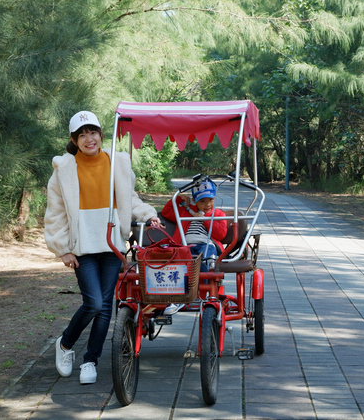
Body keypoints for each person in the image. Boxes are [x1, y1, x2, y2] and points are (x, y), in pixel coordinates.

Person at [44, 110, 160, 385]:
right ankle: (65, 344)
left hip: (112, 243)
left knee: (106, 306)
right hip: (82, 245)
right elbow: (55, 212)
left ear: (100, 134)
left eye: (92, 132)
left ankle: (90, 361)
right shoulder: (64, 168)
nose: (88, 139)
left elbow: (128, 198)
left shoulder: (117, 161)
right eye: (81, 135)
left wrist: (147, 214)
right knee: (93, 303)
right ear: (74, 140)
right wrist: (62, 248)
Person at [160, 177, 227, 314]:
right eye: (202, 201)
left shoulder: (218, 214)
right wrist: (180, 199)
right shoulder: (186, 212)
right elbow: (167, 212)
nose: (207, 205)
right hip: (186, 245)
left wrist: (205, 219)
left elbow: (221, 234)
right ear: (196, 201)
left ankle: (204, 293)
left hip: (206, 244)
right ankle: (180, 297)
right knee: (182, 264)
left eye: (211, 200)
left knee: (206, 258)